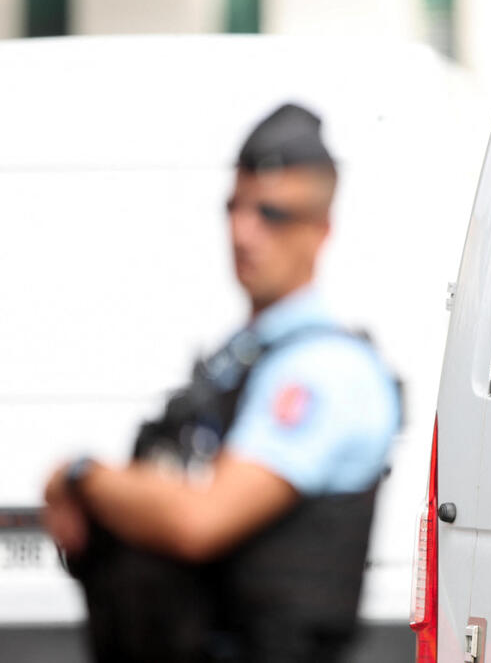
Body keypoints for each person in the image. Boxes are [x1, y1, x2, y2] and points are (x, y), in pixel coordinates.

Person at [42, 103, 401, 662]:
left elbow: (197, 520)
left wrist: (84, 476)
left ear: (320, 229)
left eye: (272, 214)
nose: (243, 232)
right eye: (235, 208)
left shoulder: (328, 372)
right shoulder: (240, 359)